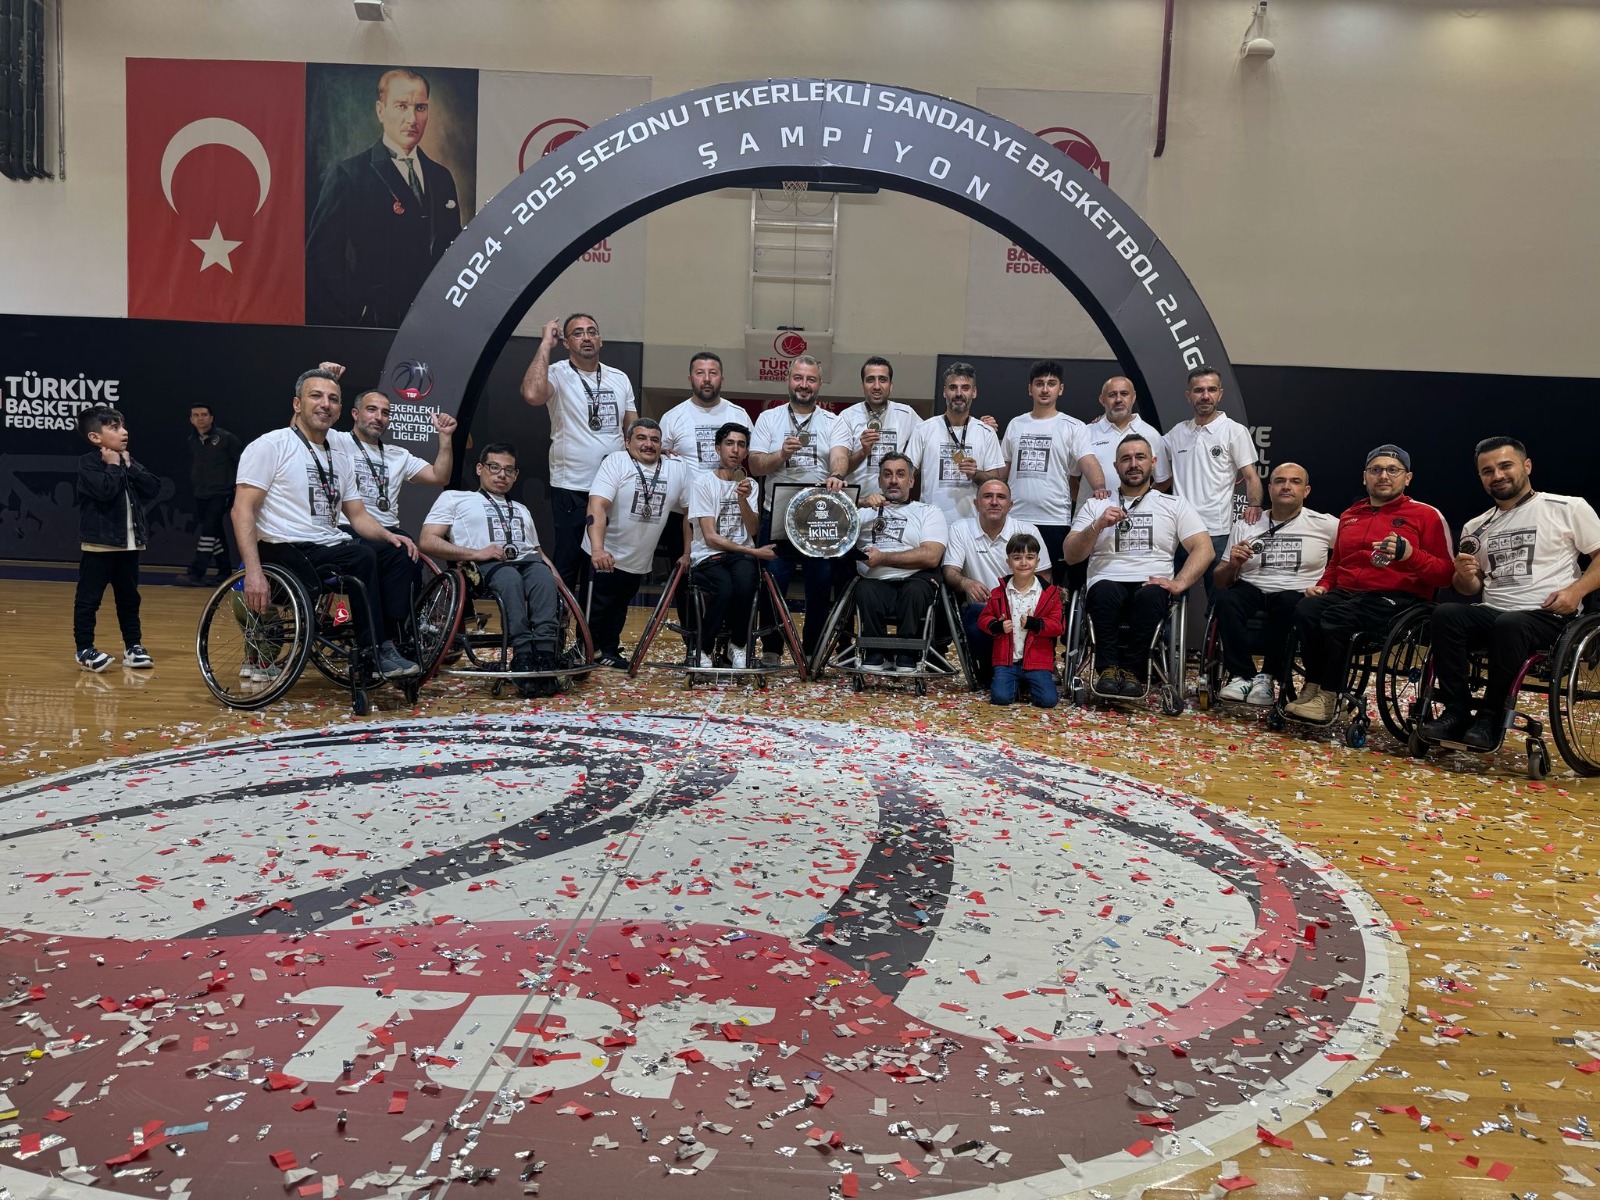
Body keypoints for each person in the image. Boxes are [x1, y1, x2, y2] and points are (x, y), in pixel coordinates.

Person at [233, 368, 422, 681]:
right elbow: (241, 510)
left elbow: (357, 515)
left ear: (340, 410)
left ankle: (391, 640)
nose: (325, 404)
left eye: (333, 399)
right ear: (297, 404)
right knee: (362, 556)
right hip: (281, 547)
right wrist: (253, 572)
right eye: (316, 396)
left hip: (324, 545)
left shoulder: (339, 457)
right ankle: (371, 650)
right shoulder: (271, 445)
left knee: (398, 553)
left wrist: (389, 536)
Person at [1418, 437, 1600, 749]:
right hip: (1495, 613)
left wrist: (1575, 591)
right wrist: (1464, 575)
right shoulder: (1477, 526)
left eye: (1505, 466)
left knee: (1511, 624)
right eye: (1487, 471)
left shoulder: (1567, 507)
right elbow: (1469, 588)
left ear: (1527, 466)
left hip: (1548, 615)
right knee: (1446, 614)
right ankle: (1456, 711)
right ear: (1480, 477)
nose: (1498, 475)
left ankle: (1491, 716)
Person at [1286, 444, 1453, 723]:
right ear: (1365, 477)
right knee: (1307, 609)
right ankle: (1313, 687)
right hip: (1347, 594)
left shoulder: (1426, 515)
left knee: (1339, 617)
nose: (1383, 476)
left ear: (1407, 478)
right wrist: (1323, 585)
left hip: (1399, 599)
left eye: (1392, 470)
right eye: (1376, 470)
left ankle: (1331, 695)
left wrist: (1411, 556)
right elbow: (1336, 564)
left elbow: (1446, 574)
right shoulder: (1350, 515)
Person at [305, 68, 462, 328]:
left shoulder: (441, 177)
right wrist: (357, 311)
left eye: (420, 108)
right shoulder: (349, 174)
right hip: (376, 324)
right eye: (401, 106)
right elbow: (321, 257)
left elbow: (453, 250)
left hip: (433, 323)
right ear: (380, 110)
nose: (412, 118)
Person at [1063, 435, 1213, 698]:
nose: (1133, 464)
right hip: (1106, 581)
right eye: (1126, 459)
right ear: (1116, 466)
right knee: (1104, 591)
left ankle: (1133, 671)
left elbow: (1205, 549)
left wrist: (1179, 583)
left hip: (1151, 582)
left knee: (1151, 594)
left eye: (1140, 457)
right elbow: (1071, 555)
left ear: (1153, 462)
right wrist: (1097, 526)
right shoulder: (1096, 505)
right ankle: (1107, 670)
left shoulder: (1173, 504)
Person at [420, 443, 562, 698]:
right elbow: (427, 541)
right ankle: (523, 654)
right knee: (509, 577)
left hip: (527, 562)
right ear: (479, 468)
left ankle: (545, 655)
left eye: (509, 470)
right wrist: (476, 553)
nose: (501, 475)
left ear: (516, 475)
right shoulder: (455, 498)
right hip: (483, 565)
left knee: (544, 577)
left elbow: (539, 552)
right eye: (494, 467)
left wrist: (557, 581)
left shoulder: (522, 509)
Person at [519, 314, 638, 589]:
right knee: (570, 560)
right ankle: (560, 615)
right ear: (566, 342)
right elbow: (532, 394)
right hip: (572, 484)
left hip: (612, 485)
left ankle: (594, 617)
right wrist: (545, 345)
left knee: (606, 561)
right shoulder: (557, 373)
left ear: (600, 340)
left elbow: (631, 428)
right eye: (578, 333)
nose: (586, 337)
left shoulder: (619, 378)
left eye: (592, 331)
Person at [1211, 462, 1337, 706]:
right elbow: (1220, 580)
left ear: (1306, 491)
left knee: (1290, 603)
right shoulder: (1247, 524)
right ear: (1269, 489)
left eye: (1295, 482)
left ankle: (1267, 678)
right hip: (1252, 587)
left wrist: (1327, 585)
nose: (1286, 486)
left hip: (1295, 591)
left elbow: (1350, 557)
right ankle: (1242, 675)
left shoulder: (1325, 524)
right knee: (1225, 599)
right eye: (1279, 481)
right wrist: (1233, 564)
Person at [1163, 368, 1262, 648]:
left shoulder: (1234, 431)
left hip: (1216, 532)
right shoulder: (1177, 433)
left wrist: (1255, 504)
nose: (1205, 395)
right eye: (1198, 390)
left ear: (1220, 394)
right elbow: (1147, 454)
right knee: (1170, 600)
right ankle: (1169, 659)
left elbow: (1250, 475)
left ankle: (1216, 658)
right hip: (1179, 533)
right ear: (1189, 396)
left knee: (1219, 604)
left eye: (1210, 390)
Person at [748, 356, 837, 663]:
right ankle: (771, 650)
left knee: (820, 587)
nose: (804, 384)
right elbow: (755, 465)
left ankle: (813, 650)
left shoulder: (832, 421)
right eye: (798, 378)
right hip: (777, 515)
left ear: (819, 384)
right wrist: (780, 455)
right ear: (789, 380)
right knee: (772, 584)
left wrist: (837, 473)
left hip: (818, 517)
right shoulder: (769, 418)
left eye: (810, 379)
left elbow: (839, 457)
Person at [585, 419, 693, 669]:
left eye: (654, 439)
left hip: (638, 556)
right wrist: (598, 548)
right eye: (641, 438)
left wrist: (687, 551)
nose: (648, 444)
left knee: (620, 605)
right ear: (627, 442)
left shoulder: (677, 468)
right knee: (598, 607)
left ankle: (608, 650)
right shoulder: (616, 462)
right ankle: (587, 650)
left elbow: (690, 512)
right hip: (606, 551)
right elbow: (597, 504)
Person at [73, 407, 160, 672]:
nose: (124, 432)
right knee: (89, 599)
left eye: (122, 426)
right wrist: (112, 465)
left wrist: (130, 467)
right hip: (99, 546)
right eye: (114, 428)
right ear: (95, 437)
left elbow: (153, 487)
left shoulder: (127, 461)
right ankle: (84, 649)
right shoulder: (89, 463)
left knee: (129, 598)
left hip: (129, 545)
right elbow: (105, 491)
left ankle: (133, 646)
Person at [997, 360, 1106, 572]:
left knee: (1050, 582)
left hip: (1054, 518)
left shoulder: (1074, 426)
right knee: (1014, 578)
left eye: (1051, 383)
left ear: (1060, 389)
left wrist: (1100, 488)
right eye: (1039, 383)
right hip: (1016, 516)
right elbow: (1002, 471)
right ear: (1030, 389)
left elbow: (1088, 461)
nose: (1045, 389)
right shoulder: (1016, 424)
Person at [942, 479, 1051, 680]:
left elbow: (1044, 577)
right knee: (975, 613)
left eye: (1001, 497)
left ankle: (1027, 668)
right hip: (984, 611)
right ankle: (991, 671)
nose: (994, 502)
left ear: (1010, 505)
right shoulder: (960, 528)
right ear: (976, 503)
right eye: (987, 496)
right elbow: (950, 571)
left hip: (1023, 608)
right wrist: (966, 582)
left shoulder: (1028, 530)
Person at [688, 423, 775, 669]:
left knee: (746, 583)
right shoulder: (703, 483)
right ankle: (703, 648)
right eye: (729, 443)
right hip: (709, 555)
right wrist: (753, 551)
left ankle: (737, 645)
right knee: (724, 588)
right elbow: (710, 537)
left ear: (746, 452)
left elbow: (753, 530)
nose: (735, 450)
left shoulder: (751, 485)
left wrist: (742, 499)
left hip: (739, 557)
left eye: (741, 445)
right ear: (718, 448)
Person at [853, 453, 948, 672]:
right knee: (864, 589)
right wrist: (860, 502)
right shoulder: (863, 513)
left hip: (915, 580)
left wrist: (884, 558)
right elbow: (831, 517)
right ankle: (875, 652)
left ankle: (908, 653)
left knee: (915, 590)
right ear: (879, 481)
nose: (893, 480)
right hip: (874, 582)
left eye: (900, 474)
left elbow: (931, 556)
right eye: (887, 475)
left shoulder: (929, 512)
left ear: (911, 481)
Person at [330, 388, 457, 534]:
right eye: (372, 410)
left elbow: (439, 476)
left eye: (385, 413)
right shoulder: (335, 440)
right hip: (347, 530)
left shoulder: (399, 455)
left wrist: (445, 436)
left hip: (390, 531)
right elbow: (307, 426)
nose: (379, 417)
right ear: (355, 414)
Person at [907, 362, 1005, 523]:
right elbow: (906, 473)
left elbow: (995, 480)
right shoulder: (923, 430)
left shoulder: (986, 433)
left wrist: (975, 474)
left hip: (972, 523)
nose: (959, 393)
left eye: (965, 388)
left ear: (974, 392)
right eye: (953, 387)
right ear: (944, 391)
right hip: (930, 521)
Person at [978, 532, 1065, 708]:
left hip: (1037, 661)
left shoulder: (1050, 594)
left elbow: (1058, 626)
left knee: (1048, 701)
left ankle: (1026, 684)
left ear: (1037, 561)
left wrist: (1036, 624)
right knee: (1001, 698)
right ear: (1008, 562)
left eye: (1029, 557)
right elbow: (983, 618)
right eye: (1017, 558)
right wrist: (996, 626)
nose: (1024, 563)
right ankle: (1017, 686)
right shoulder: (999, 592)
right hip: (1008, 661)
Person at [825, 356, 922, 493]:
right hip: (859, 500)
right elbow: (841, 470)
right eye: (870, 380)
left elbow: (926, 449)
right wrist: (863, 452)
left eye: (882, 380)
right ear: (862, 385)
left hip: (894, 500)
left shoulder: (907, 414)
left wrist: (906, 475)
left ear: (891, 385)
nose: (876, 386)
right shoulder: (847, 417)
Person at [1072, 375, 1170, 504]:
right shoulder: (1085, 432)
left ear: (1133, 397)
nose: (1118, 399)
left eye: (1124, 394)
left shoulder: (1151, 434)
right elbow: (1071, 479)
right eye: (1112, 395)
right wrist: (1088, 504)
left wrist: (1140, 504)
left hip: (1135, 516)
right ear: (1102, 400)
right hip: (1093, 514)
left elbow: (1163, 480)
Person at [177, 402, 243, 586]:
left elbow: (242, 462)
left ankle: (196, 572)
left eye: (204, 414)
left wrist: (236, 487)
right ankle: (224, 571)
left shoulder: (226, 438)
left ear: (211, 418)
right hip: (201, 493)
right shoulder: (192, 440)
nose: (200, 418)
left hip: (221, 492)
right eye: (196, 415)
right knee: (215, 533)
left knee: (208, 531)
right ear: (191, 419)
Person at [659, 352, 751, 473]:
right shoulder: (671, 418)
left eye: (713, 373)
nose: (707, 379)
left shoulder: (739, 414)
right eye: (700, 373)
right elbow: (658, 459)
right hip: (687, 486)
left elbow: (754, 456)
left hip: (730, 485)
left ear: (722, 379)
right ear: (690, 379)